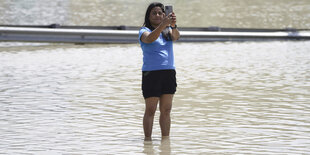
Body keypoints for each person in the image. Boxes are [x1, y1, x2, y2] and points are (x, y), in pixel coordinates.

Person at [138, 2, 180, 140]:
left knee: (166, 110)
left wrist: (173, 25)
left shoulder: (167, 31)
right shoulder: (144, 30)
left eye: (160, 13)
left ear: (164, 15)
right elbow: (149, 39)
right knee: (151, 110)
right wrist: (163, 24)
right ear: (148, 16)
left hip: (168, 73)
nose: (157, 15)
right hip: (152, 74)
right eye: (154, 13)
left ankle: (165, 142)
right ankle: (148, 142)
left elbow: (176, 37)